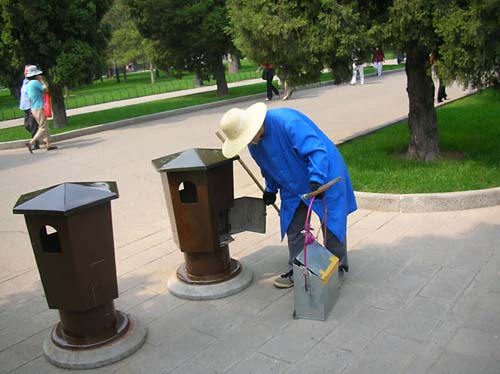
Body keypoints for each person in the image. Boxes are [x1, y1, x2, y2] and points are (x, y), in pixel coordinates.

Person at [219, 103, 357, 288]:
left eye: (249, 137)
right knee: (293, 223)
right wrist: (270, 189)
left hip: (324, 172)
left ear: (256, 125)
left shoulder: (287, 121)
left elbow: (315, 150)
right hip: (291, 182)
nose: (251, 142)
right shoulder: (254, 143)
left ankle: (337, 268)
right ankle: (300, 268)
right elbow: (268, 167)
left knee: (331, 222)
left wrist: (317, 179)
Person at [24, 65, 57, 153]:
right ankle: (31, 142)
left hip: (34, 108)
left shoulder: (28, 85)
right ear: (35, 75)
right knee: (42, 127)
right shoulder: (35, 83)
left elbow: (29, 98)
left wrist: (31, 110)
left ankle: (48, 144)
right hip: (38, 107)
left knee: (45, 126)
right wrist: (42, 81)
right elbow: (46, 90)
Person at [19, 65, 40, 149]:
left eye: (27, 71)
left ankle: (35, 143)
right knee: (27, 126)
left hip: (31, 106)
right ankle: (42, 133)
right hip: (25, 107)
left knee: (33, 125)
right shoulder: (24, 81)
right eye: (25, 71)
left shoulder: (32, 82)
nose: (25, 72)